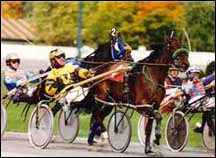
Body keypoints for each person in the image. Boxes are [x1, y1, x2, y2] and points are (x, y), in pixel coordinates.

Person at [44, 49, 95, 116]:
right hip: (64, 93)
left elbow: (80, 71)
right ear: (53, 60)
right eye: (59, 57)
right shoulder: (52, 73)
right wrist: (55, 84)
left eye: (63, 56)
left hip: (78, 89)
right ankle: (56, 108)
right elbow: (49, 91)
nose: (62, 58)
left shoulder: (70, 67)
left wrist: (87, 73)